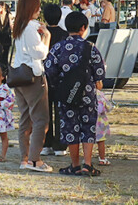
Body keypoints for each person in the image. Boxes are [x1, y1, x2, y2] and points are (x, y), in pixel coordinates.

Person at [45, 12, 106, 177]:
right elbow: (100, 72)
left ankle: (75, 165)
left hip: (66, 95)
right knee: (88, 127)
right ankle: (87, 164)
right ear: (83, 28)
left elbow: (49, 70)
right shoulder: (91, 47)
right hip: (87, 94)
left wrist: (60, 84)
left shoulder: (58, 47)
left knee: (71, 127)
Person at [11, 0, 53, 172]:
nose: (39, 9)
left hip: (18, 76)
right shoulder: (30, 28)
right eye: (37, 6)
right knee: (41, 120)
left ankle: (25, 158)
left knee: (25, 119)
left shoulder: (19, 26)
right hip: (33, 77)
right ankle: (35, 160)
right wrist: (47, 37)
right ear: (32, 7)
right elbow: (40, 54)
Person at [41, 4, 70, 157]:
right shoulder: (65, 35)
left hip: (44, 76)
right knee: (61, 112)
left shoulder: (41, 33)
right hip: (61, 78)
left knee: (45, 112)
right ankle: (60, 145)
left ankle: (46, 143)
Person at [96, 88, 113, 166]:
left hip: (88, 121)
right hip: (100, 122)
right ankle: (102, 159)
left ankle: (86, 158)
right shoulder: (100, 94)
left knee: (86, 141)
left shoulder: (84, 92)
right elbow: (109, 107)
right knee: (101, 141)